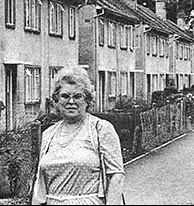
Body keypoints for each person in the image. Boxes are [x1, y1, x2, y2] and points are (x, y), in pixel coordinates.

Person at [31, 66, 125, 205]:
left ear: (87, 100)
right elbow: (40, 185)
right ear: (56, 100)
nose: (71, 102)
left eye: (77, 96)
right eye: (64, 96)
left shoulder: (100, 129)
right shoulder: (48, 134)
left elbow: (116, 176)